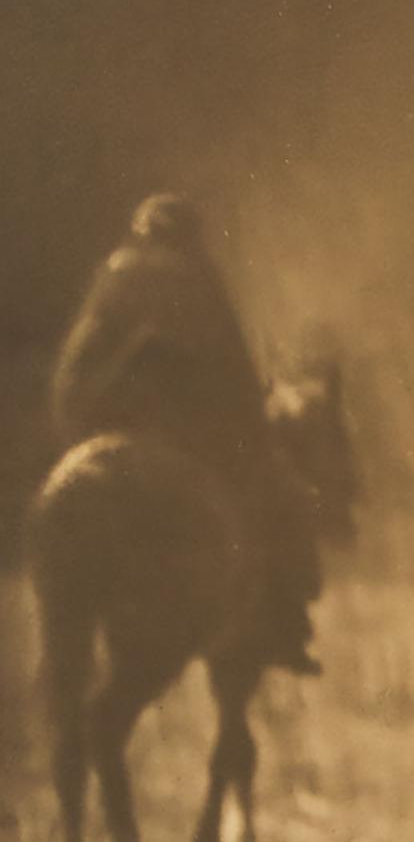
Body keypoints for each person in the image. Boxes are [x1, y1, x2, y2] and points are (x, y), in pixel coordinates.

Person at [49, 193, 321, 673]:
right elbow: (233, 370)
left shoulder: (112, 278)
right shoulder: (196, 281)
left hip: (94, 429)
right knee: (282, 502)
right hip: (184, 439)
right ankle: (284, 628)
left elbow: (75, 373)